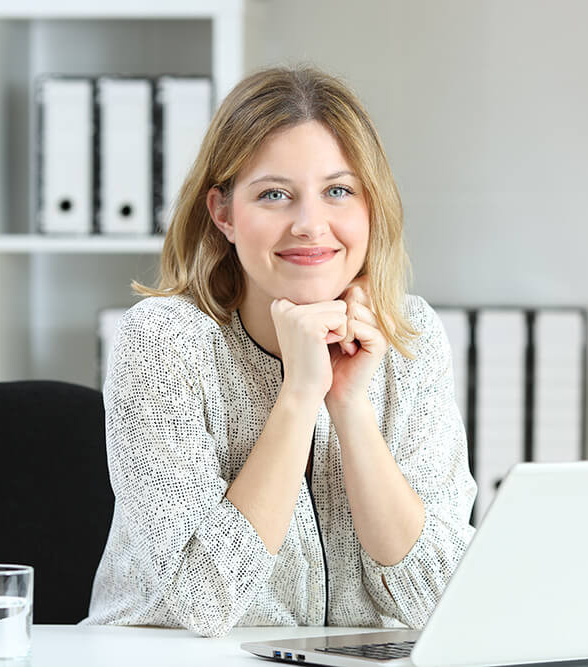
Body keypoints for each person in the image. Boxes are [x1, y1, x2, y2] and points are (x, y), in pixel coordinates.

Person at [83, 65, 476, 638]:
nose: (311, 225)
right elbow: (203, 598)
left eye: (338, 191)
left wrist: (349, 406)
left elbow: (446, 602)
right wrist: (298, 395)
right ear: (224, 214)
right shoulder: (164, 340)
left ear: (371, 207)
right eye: (274, 195)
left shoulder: (409, 332)